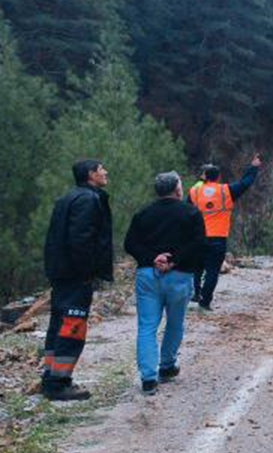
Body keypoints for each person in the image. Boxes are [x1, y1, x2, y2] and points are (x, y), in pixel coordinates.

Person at [125, 171, 207, 394]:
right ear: (178, 189)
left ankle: (148, 378)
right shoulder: (191, 213)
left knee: (147, 326)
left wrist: (154, 257)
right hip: (179, 275)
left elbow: (130, 243)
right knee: (175, 322)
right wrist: (174, 260)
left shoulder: (143, 214)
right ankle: (167, 365)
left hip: (148, 274)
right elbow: (199, 243)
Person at [39, 159, 114, 402]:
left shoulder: (67, 198)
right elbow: (81, 240)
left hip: (61, 273)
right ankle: (59, 383)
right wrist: (87, 272)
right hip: (75, 275)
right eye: (101, 169)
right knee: (72, 326)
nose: (105, 172)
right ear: (91, 174)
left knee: (58, 323)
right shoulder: (88, 200)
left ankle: (50, 376)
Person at [187, 153, 262, 310]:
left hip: (198, 237)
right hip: (218, 238)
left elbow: (186, 210)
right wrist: (253, 168)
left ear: (204, 176)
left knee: (197, 268)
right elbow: (245, 183)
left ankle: (195, 294)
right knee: (212, 271)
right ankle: (205, 302)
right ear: (218, 177)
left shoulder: (195, 192)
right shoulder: (225, 191)